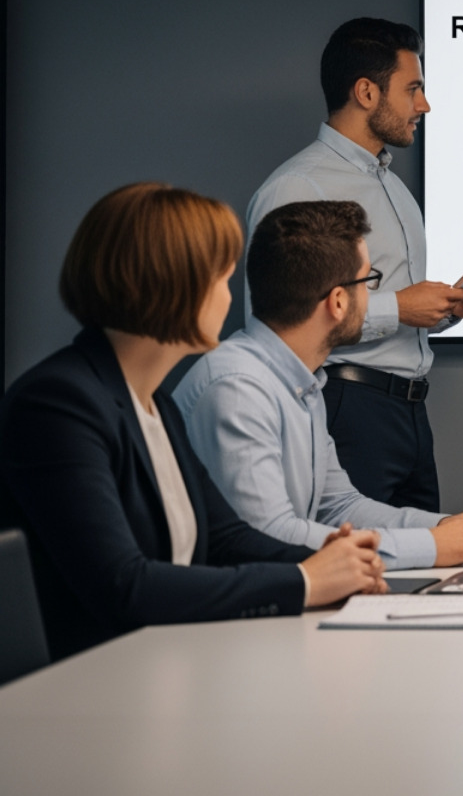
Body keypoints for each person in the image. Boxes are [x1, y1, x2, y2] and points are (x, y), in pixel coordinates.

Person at [0, 184, 386, 661]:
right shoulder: (58, 404)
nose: (229, 299)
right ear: (174, 284)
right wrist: (306, 580)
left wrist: (334, 560)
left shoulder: (153, 402)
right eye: (222, 279)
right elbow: (125, 585)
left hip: (158, 665)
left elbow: (226, 538)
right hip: (85, 688)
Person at [247, 18, 463, 511]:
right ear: (366, 92)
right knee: (353, 569)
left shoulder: (392, 185)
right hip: (347, 411)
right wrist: (401, 308)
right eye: (413, 89)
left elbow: (390, 306)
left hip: (409, 417)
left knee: (427, 567)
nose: (423, 105)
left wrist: (449, 307)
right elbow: (273, 327)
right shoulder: (298, 188)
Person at [175, 200, 463, 570]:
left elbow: (339, 506)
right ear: (337, 301)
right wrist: (430, 545)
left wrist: (445, 527)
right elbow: (268, 535)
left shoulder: (302, 381)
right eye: (369, 281)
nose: (371, 296)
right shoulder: (238, 389)